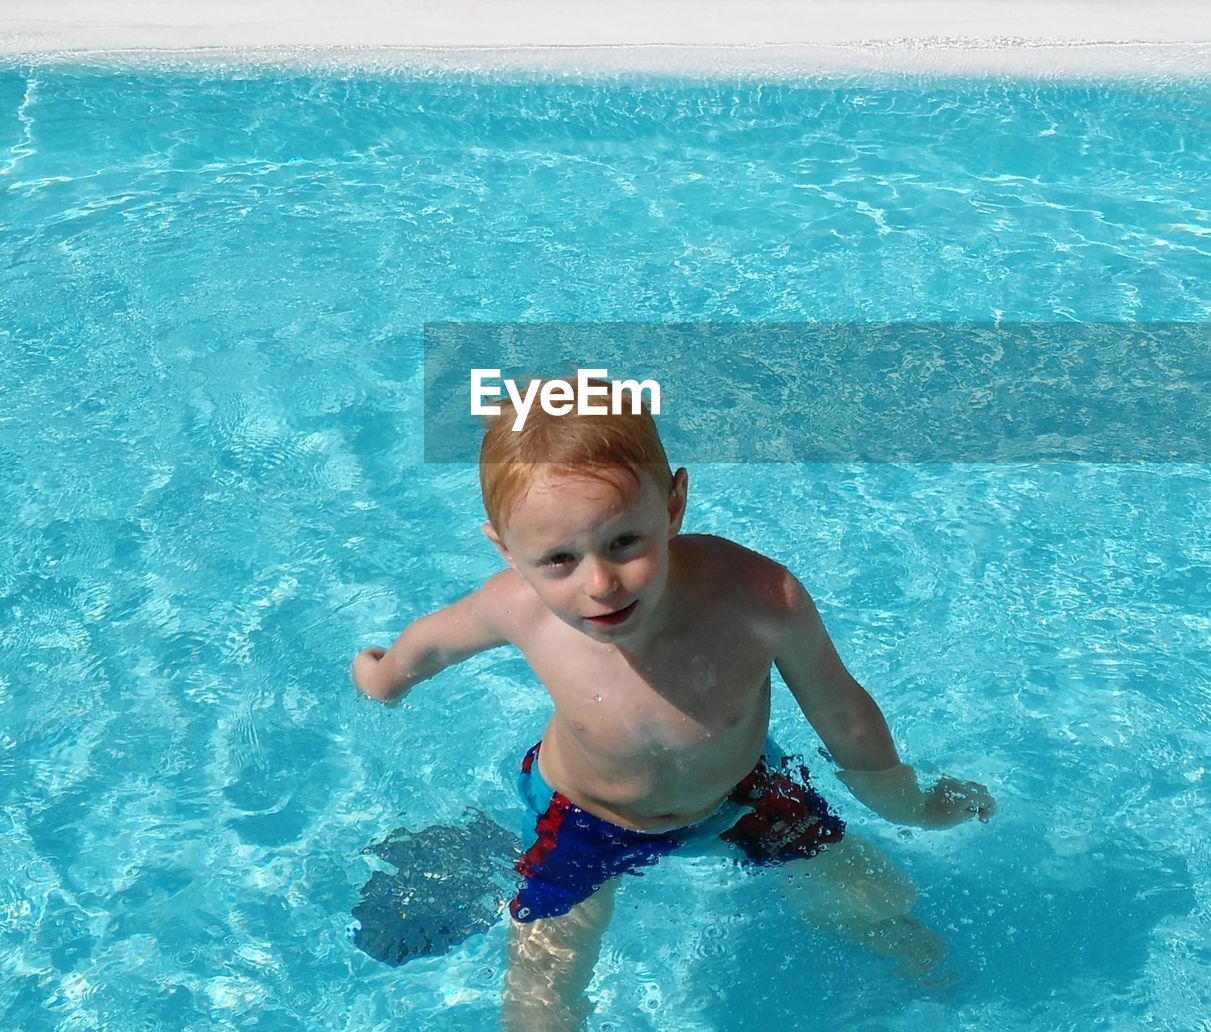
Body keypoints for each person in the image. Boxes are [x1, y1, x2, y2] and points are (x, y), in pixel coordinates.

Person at [351, 380, 995, 1030]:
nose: (599, 583)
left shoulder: (757, 598)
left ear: (673, 505)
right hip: (587, 820)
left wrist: (908, 801)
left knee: (878, 896)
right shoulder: (515, 609)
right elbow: (433, 645)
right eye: (558, 560)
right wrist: (386, 678)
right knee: (543, 990)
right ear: (506, 552)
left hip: (739, 792)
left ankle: (932, 986)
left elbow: (843, 713)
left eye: (624, 542)